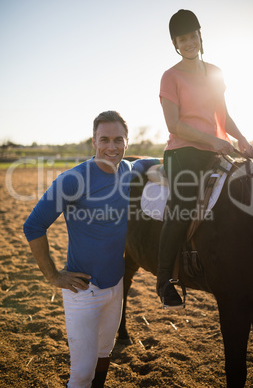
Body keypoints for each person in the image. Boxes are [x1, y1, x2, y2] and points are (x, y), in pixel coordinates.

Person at [23, 110, 160, 388]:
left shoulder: (128, 171)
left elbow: (151, 162)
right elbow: (33, 226)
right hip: (83, 290)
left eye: (118, 140)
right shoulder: (73, 179)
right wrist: (53, 276)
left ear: (127, 142)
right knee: (82, 374)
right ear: (94, 142)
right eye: (105, 139)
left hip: (116, 286)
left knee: (104, 354)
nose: (112, 146)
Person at [157, 9, 253, 308]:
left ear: (200, 36)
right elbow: (174, 125)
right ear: (176, 42)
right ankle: (163, 281)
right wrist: (212, 139)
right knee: (183, 206)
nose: (188, 42)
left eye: (192, 36)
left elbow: (223, 116)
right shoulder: (170, 77)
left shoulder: (214, 72)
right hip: (183, 154)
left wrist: (240, 137)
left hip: (216, 150)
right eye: (182, 38)